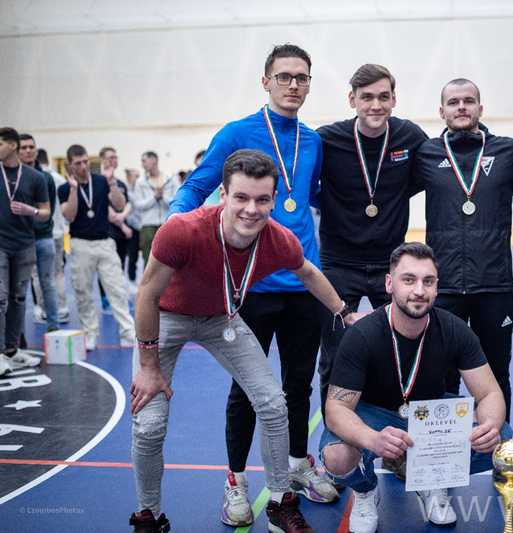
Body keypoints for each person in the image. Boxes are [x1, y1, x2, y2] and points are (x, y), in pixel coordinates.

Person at [129, 149, 361, 533]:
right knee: (149, 425)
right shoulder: (182, 230)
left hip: (220, 318)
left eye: (262, 199)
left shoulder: (278, 239)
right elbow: (147, 294)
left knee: (273, 403)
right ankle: (148, 516)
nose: (251, 209)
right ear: (223, 195)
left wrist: (345, 313)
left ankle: (280, 502)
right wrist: (149, 366)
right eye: (241, 197)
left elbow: (308, 272)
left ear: (273, 200)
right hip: (166, 318)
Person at [168, 44, 337, 523]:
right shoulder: (237, 133)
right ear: (266, 82)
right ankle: (236, 482)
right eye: (284, 76)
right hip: (250, 285)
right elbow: (196, 186)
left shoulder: (312, 140)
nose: (293, 85)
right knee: (247, 390)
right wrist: (175, 230)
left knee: (298, 385)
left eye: (302, 78)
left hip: (301, 282)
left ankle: (298, 467)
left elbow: (311, 198)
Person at [320, 242, 512, 533]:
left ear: (436, 286)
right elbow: (336, 409)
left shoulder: (454, 329)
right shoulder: (363, 334)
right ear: (389, 283)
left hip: (431, 415)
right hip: (374, 414)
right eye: (408, 280)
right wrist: (373, 440)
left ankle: (433, 480)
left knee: (502, 440)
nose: (419, 290)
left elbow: (489, 393)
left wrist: (489, 426)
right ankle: (366, 489)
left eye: (428, 281)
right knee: (336, 457)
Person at [315, 63, 428, 419]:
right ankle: (336, 439)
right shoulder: (327, 139)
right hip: (338, 264)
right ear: (352, 100)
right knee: (335, 357)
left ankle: (397, 434)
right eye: (366, 97)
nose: (375, 105)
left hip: (389, 264)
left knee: (401, 351)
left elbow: (431, 173)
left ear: (394, 98)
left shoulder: (410, 137)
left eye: (383, 96)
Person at [411, 78, 513, 422]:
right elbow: (389, 189)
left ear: (480, 108)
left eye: (468, 100)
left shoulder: (507, 152)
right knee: (440, 378)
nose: (461, 107)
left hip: (494, 286)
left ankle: (499, 448)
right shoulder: (427, 153)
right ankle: (441, 451)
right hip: (443, 289)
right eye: (453, 102)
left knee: (495, 376)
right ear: (441, 111)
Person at [58, 144, 136, 350]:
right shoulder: (64, 188)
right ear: (70, 165)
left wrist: (111, 182)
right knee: (82, 290)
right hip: (80, 243)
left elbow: (120, 205)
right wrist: (73, 189)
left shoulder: (101, 181)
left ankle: (128, 332)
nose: (83, 166)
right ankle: (90, 333)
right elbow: (69, 216)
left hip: (104, 242)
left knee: (116, 288)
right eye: (78, 163)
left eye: (85, 161)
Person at [0, 127, 49, 369]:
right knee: (1, 298)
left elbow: (46, 213)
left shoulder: (35, 177)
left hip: (24, 245)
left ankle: (11, 349)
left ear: (12, 145)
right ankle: (0, 353)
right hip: (1, 245)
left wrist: (32, 211)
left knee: (18, 299)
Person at [19, 134, 60, 333]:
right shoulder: (11, 178)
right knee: (17, 287)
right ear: (16, 150)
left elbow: (48, 210)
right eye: (24, 147)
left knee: (48, 283)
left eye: (31, 147)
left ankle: (54, 329)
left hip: (43, 238)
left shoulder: (47, 178)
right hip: (19, 239)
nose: (28, 151)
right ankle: (17, 336)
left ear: (36, 150)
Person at [32, 148, 69, 324]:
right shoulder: (60, 179)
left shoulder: (32, 177)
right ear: (47, 160)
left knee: (38, 274)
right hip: (58, 231)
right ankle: (62, 307)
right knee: (57, 272)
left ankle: (45, 308)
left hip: (40, 232)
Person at [98, 147, 133, 312]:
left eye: (116, 157)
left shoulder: (119, 183)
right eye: (111, 157)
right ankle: (106, 299)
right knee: (106, 267)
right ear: (102, 160)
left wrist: (123, 216)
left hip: (120, 234)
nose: (114, 160)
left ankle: (120, 297)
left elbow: (126, 204)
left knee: (120, 266)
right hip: (106, 232)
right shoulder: (98, 181)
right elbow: (106, 207)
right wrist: (123, 225)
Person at [135, 151, 178, 268]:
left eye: (144, 161)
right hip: (148, 226)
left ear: (153, 161)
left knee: (170, 260)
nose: (142, 164)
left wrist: (163, 197)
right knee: (148, 261)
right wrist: (154, 198)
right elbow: (138, 204)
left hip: (167, 223)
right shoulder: (140, 182)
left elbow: (177, 201)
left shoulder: (171, 179)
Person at [124, 168, 143, 291]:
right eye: (136, 176)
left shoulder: (141, 190)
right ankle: (131, 280)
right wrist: (136, 225)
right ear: (129, 178)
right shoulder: (126, 191)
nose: (138, 178)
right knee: (133, 256)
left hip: (142, 225)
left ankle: (143, 281)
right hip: (133, 227)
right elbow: (129, 212)